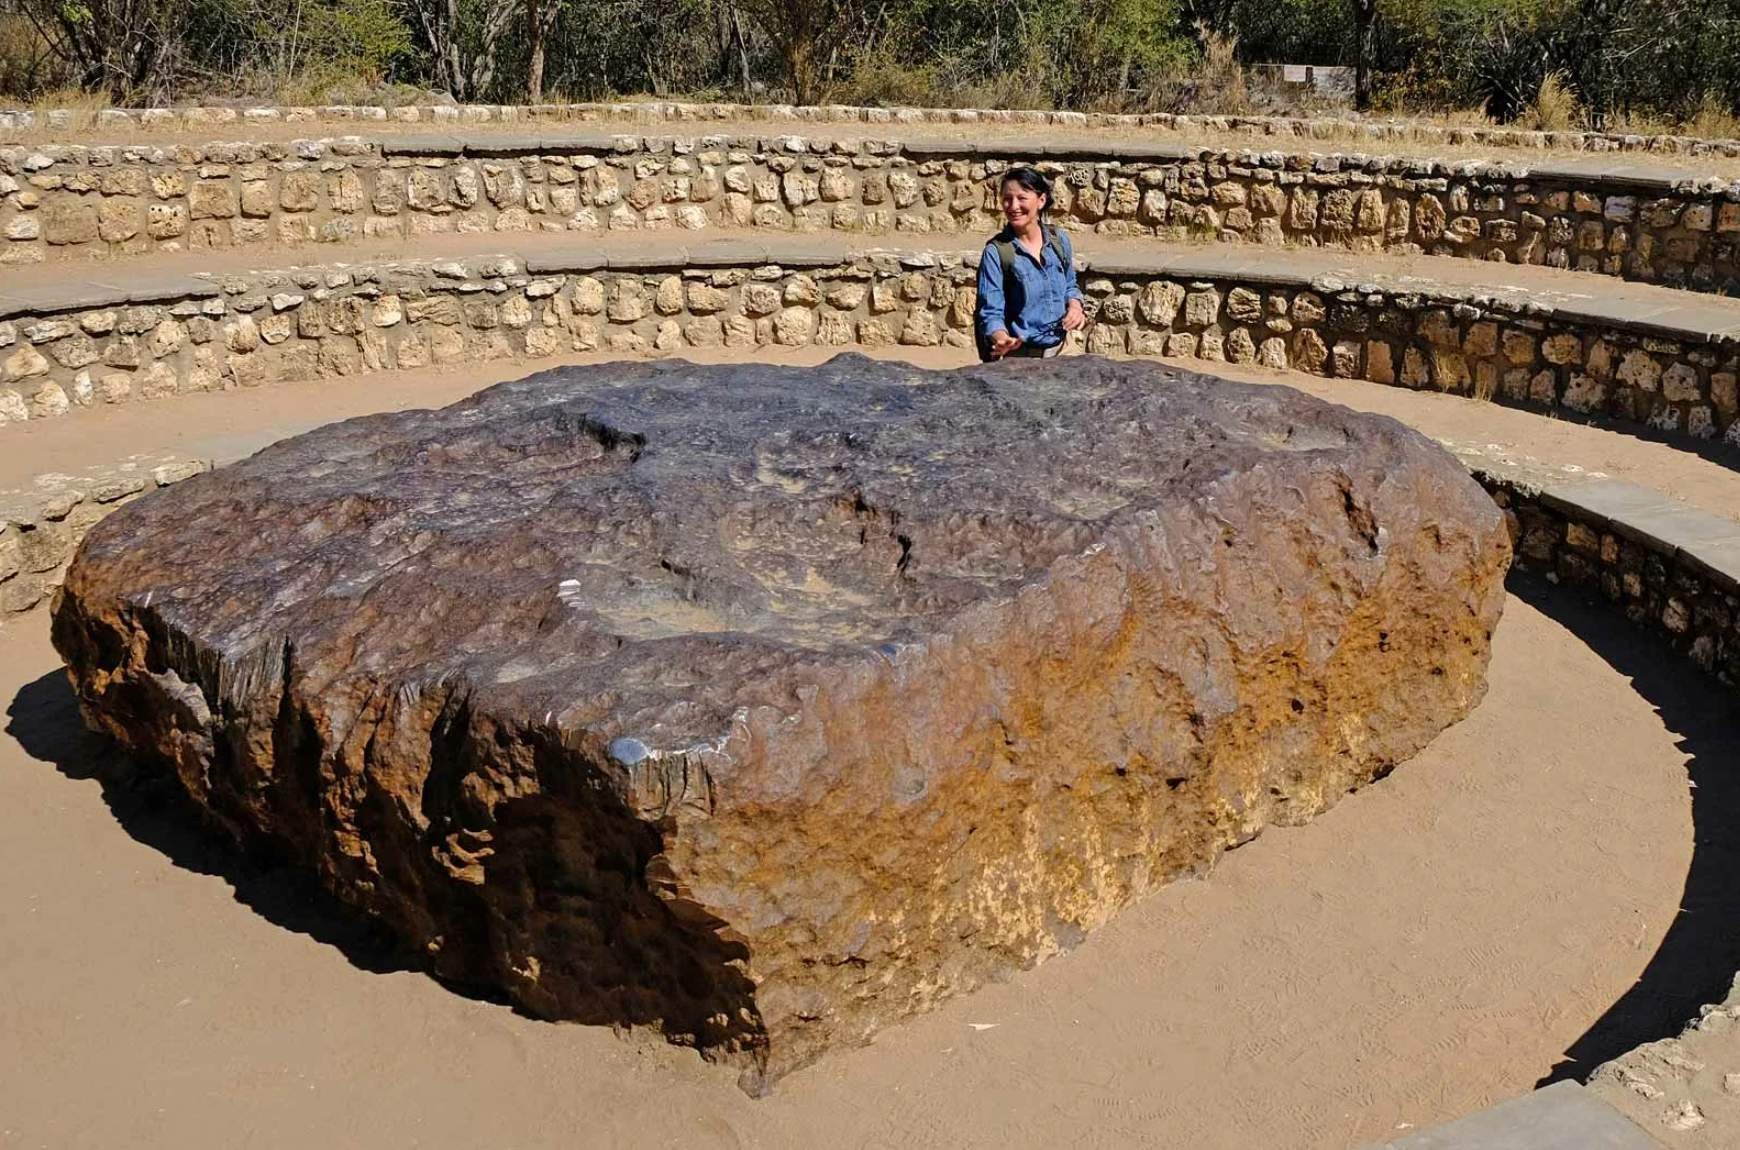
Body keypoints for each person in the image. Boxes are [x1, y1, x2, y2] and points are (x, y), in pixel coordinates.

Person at [975, 166, 1086, 361]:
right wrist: (1002, 339)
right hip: (1020, 359)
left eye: (1022, 198)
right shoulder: (996, 253)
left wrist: (1075, 306)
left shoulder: (1059, 241)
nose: (1013, 206)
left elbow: (1070, 284)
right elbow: (991, 311)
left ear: (1041, 200)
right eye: (1007, 199)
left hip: (1065, 350)